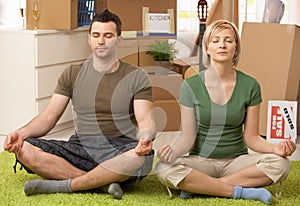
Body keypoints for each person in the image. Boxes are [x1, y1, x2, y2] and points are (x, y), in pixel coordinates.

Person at [3, 9, 156, 199]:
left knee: (139, 158)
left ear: (119, 40)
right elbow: (49, 116)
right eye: (96, 35)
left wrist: (145, 136)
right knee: (24, 148)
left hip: (119, 149)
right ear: (89, 39)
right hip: (81, 147)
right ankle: (102, 183)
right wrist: (22, 133)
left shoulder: (136, 76)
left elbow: (145, 120)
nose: (101, 41)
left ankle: (65, 185)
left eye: (108, 35)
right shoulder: (72, 73)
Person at [156, 19, 297, 205]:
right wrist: (172, 152)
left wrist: (276, 149)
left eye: (228, 40)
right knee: (163, 168)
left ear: (236, 48)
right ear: (207, 48)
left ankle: (203, 187)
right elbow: (187, 137)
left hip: (237, 162)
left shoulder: (250, 85)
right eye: (215, 40)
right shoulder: (190, 86)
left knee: (281, 163)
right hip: (201, 162)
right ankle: (241, 191)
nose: (222, 45)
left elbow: (252, 137)